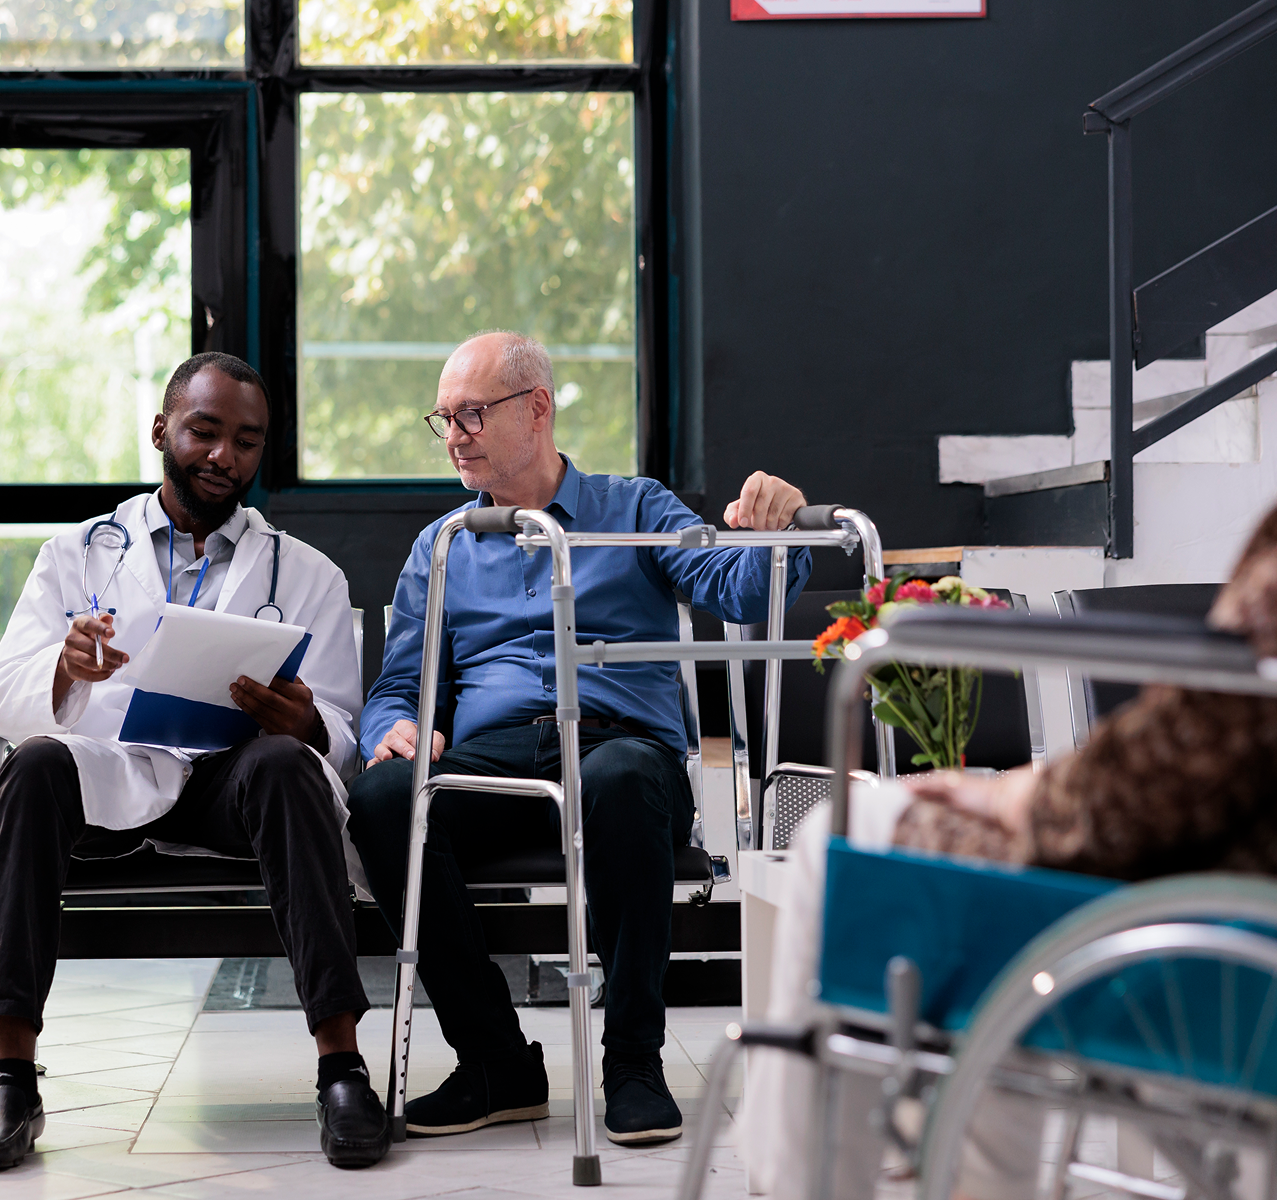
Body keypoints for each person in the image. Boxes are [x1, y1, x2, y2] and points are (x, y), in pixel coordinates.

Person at [345, 330, 814, 1146]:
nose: (455, 436)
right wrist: (395, 729)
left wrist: (770, 527)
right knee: (384, 797)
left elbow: (739, 592)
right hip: (498, 760)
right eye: (444, 419)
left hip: (620, 752)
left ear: (537, 409)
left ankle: (633, 1060)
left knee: (622, 779)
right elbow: (396, 686)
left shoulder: (635, 509)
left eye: (472, 415)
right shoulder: (443, 546)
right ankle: (495, 1061)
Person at [742, 502, 1277, 1199]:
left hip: (1198, 937)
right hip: (1225, 908)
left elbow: (1207, 729)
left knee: (849, 829)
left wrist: (1015, 797)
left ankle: (802, 1185)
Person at [0, 352, 390, 1172]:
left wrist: (306, 723)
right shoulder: (78, 554)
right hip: (110, 773)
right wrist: (65, 668)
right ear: (163, 430)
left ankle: (342, 1067)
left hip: (235, 787)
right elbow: (0, 693)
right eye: (205, 431)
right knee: (33, 766)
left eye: (247, 442)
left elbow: (343, 730)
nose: (225, 456)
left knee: (287, 765)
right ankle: (10, 1072)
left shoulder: (306, 575)